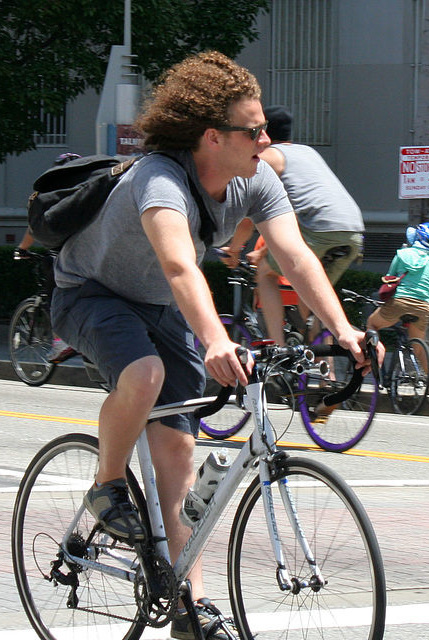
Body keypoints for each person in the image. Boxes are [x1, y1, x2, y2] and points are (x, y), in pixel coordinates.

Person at [49, 51, 381, 640]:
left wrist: (346, 331)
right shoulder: (158, 178)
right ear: (212, 136)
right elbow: (179, 266)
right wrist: (214, 340)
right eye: (252, 130)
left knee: (178, 452)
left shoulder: (256, 176)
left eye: (264, 129)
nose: (265, 138)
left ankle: (189, 606)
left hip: (155, 305)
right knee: (145, 375)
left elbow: (296, 256)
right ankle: (106, 485)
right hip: (91, 293)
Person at [223, 104, 364, 345]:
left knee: (265, 273)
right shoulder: (309, 152)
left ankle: (278, 347)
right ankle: (317, 361)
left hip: (319, 228)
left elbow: (250, 216)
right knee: (316, 294)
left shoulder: (268, 157)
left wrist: (235, 249)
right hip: (352, 231)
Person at [14, 153, 83, 363]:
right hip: (97, 254)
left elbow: (35, 228)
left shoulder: (53, 192)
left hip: (65, 254)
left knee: (55, 292)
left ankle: (60, 340)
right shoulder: (94, 187)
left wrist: (22, 249)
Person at [366, 222, 429, 395]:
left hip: (399, 302)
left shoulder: (402, 254)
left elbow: (390, 278)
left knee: (372, 324)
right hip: (423, 307)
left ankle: (376, 363)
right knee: (419, 347)